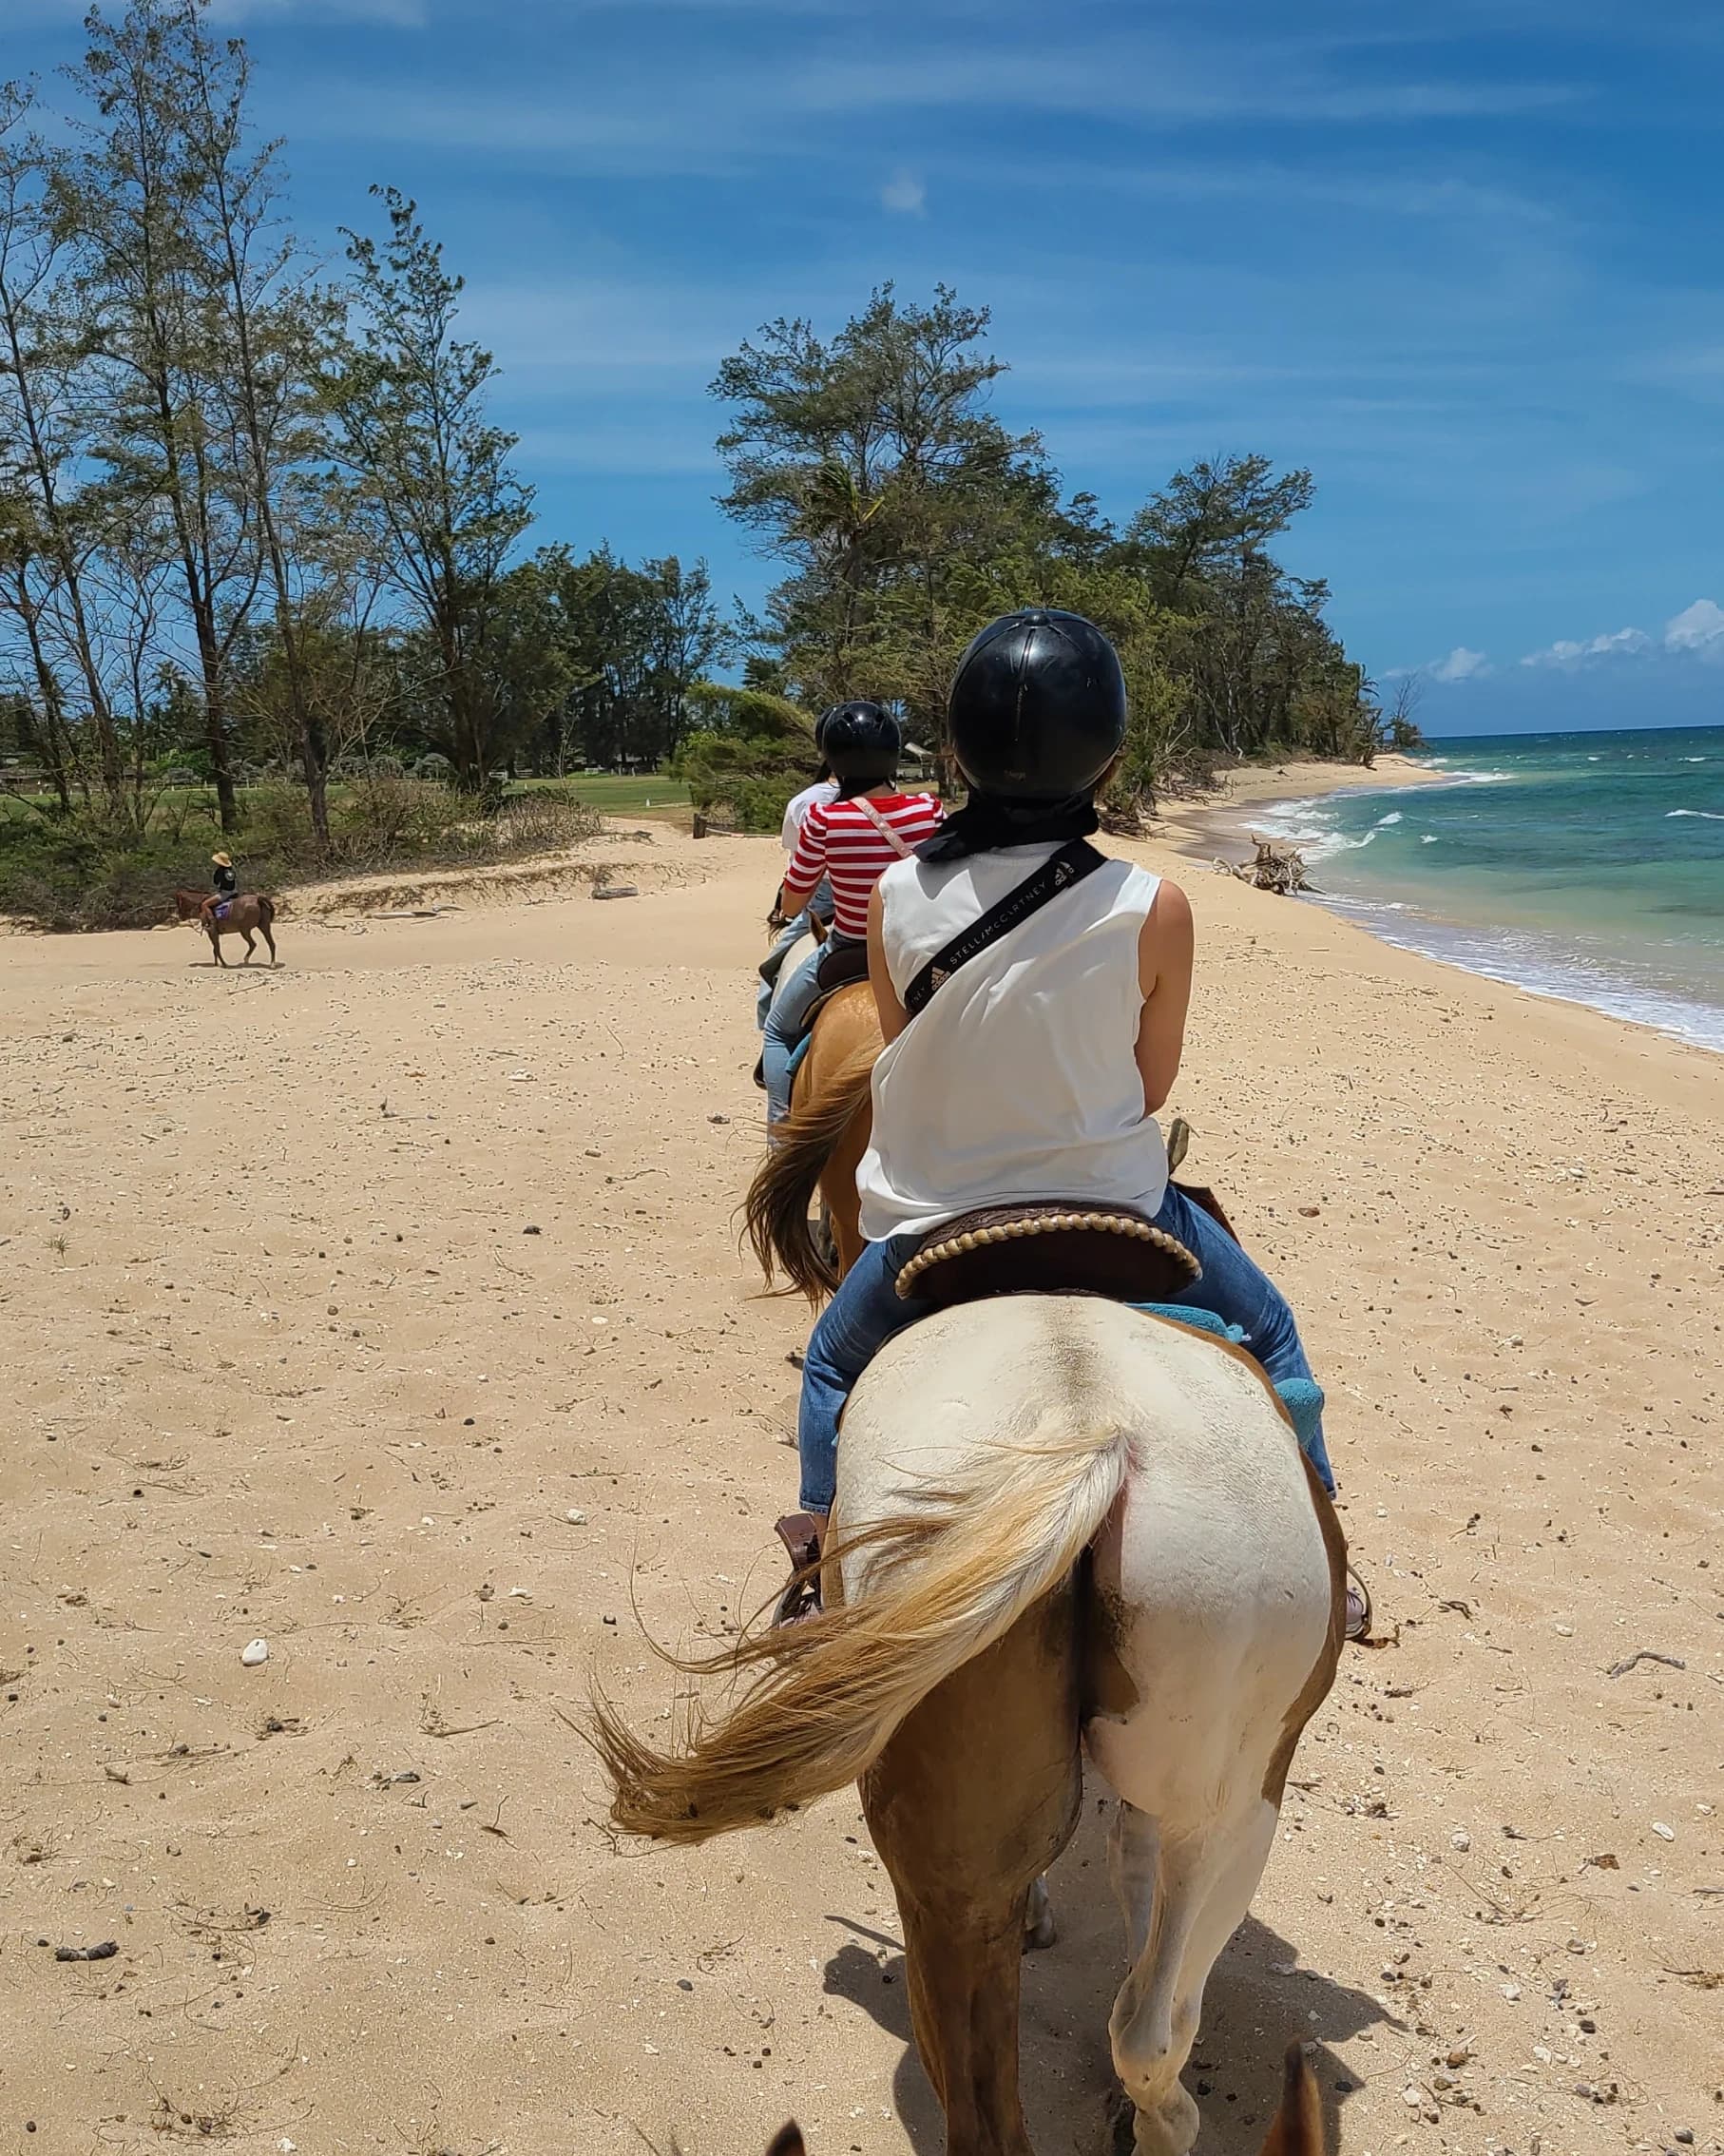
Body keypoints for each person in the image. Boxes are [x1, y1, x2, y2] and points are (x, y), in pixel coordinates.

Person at [777, 608, 1367, 1637]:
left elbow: (909, 1043)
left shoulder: (901, 897)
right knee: (1269, 1333)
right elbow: (1144, 1090)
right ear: (1109, 762)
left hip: (930, 1218)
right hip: (1116, 1205)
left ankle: (814, 1562)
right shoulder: (1154, 903)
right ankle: (1328, 1546)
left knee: (830, 1363)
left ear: (954, 754)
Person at [759, 703, 941, 1126]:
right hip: (920, 951)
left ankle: (781, 1136)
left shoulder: (823, 818)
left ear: (834, 761)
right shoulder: (928, 810)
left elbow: (793, 904)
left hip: (850, 949)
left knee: (778, 1032)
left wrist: (788, 898)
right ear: (893, 756)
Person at [756, 720, 840, 1030]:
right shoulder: (899, 797)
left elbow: (799, 865)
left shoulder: (805, 803)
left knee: (772, 968)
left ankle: (770, 1040)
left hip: (822, 897)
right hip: (889, 896)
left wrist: (787, 906)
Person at [209, 852, 239, 920]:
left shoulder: (219, 871)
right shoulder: (231, 870)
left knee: (204, 905)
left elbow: (216, 882)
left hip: (224, 894)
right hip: (234, 892)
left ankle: (212, 923)